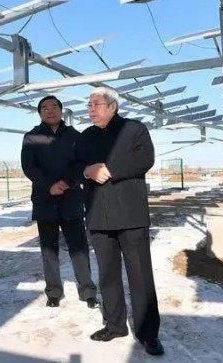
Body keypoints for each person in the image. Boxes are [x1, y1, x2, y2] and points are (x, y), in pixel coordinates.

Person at [73, 87, 163, 356]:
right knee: (108, 274)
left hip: (130, 214)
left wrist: (109, 169)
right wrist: (86, 171)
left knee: (140, 276)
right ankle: (114, 325)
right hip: (98, 214)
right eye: (89, 105)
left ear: (113, 106)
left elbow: (145, 159)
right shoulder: (84, 137)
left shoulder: (134, 129)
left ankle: (148, 333)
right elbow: (72, 166)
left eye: (96, 104)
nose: (91, 109)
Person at [21, 95, 98, 309]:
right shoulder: (32, 137)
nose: (50, 110)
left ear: (61, 110)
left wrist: (67, 182)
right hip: (44, 200)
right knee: (49, 249)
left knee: (79, 248)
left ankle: (88, 291)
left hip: (71, 198)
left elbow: (82, 164)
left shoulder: (75, 136)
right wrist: (49, 185)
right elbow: (29, 166)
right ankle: (54, 292)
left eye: (54, 106)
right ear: (39, 113)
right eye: (44, 108)